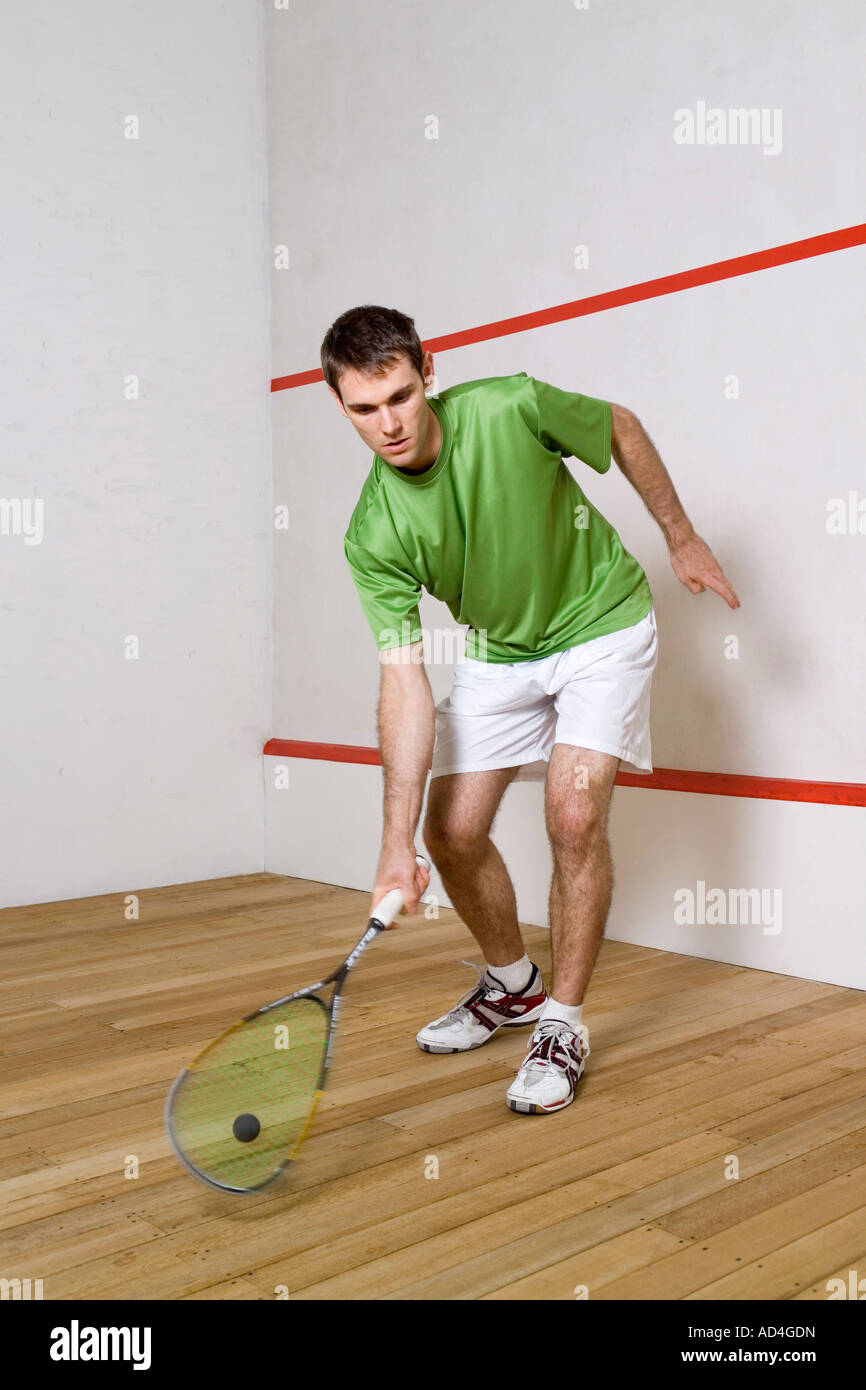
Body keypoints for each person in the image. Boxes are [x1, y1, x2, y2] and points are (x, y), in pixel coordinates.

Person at [321, 304, 740, 1114]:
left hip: (602, 623)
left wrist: (680, 535)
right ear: (338, 404)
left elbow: (618, 425)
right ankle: (512, 986)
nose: (389, 424)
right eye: (365, 410)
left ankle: (564, 1021)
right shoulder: (372, 534)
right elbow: (402, 682)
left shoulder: (508, 406)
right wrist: (392, 844)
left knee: (573, 816)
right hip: (500, 649)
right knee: (451, 832)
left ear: (428, 371)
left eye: (400, 397)